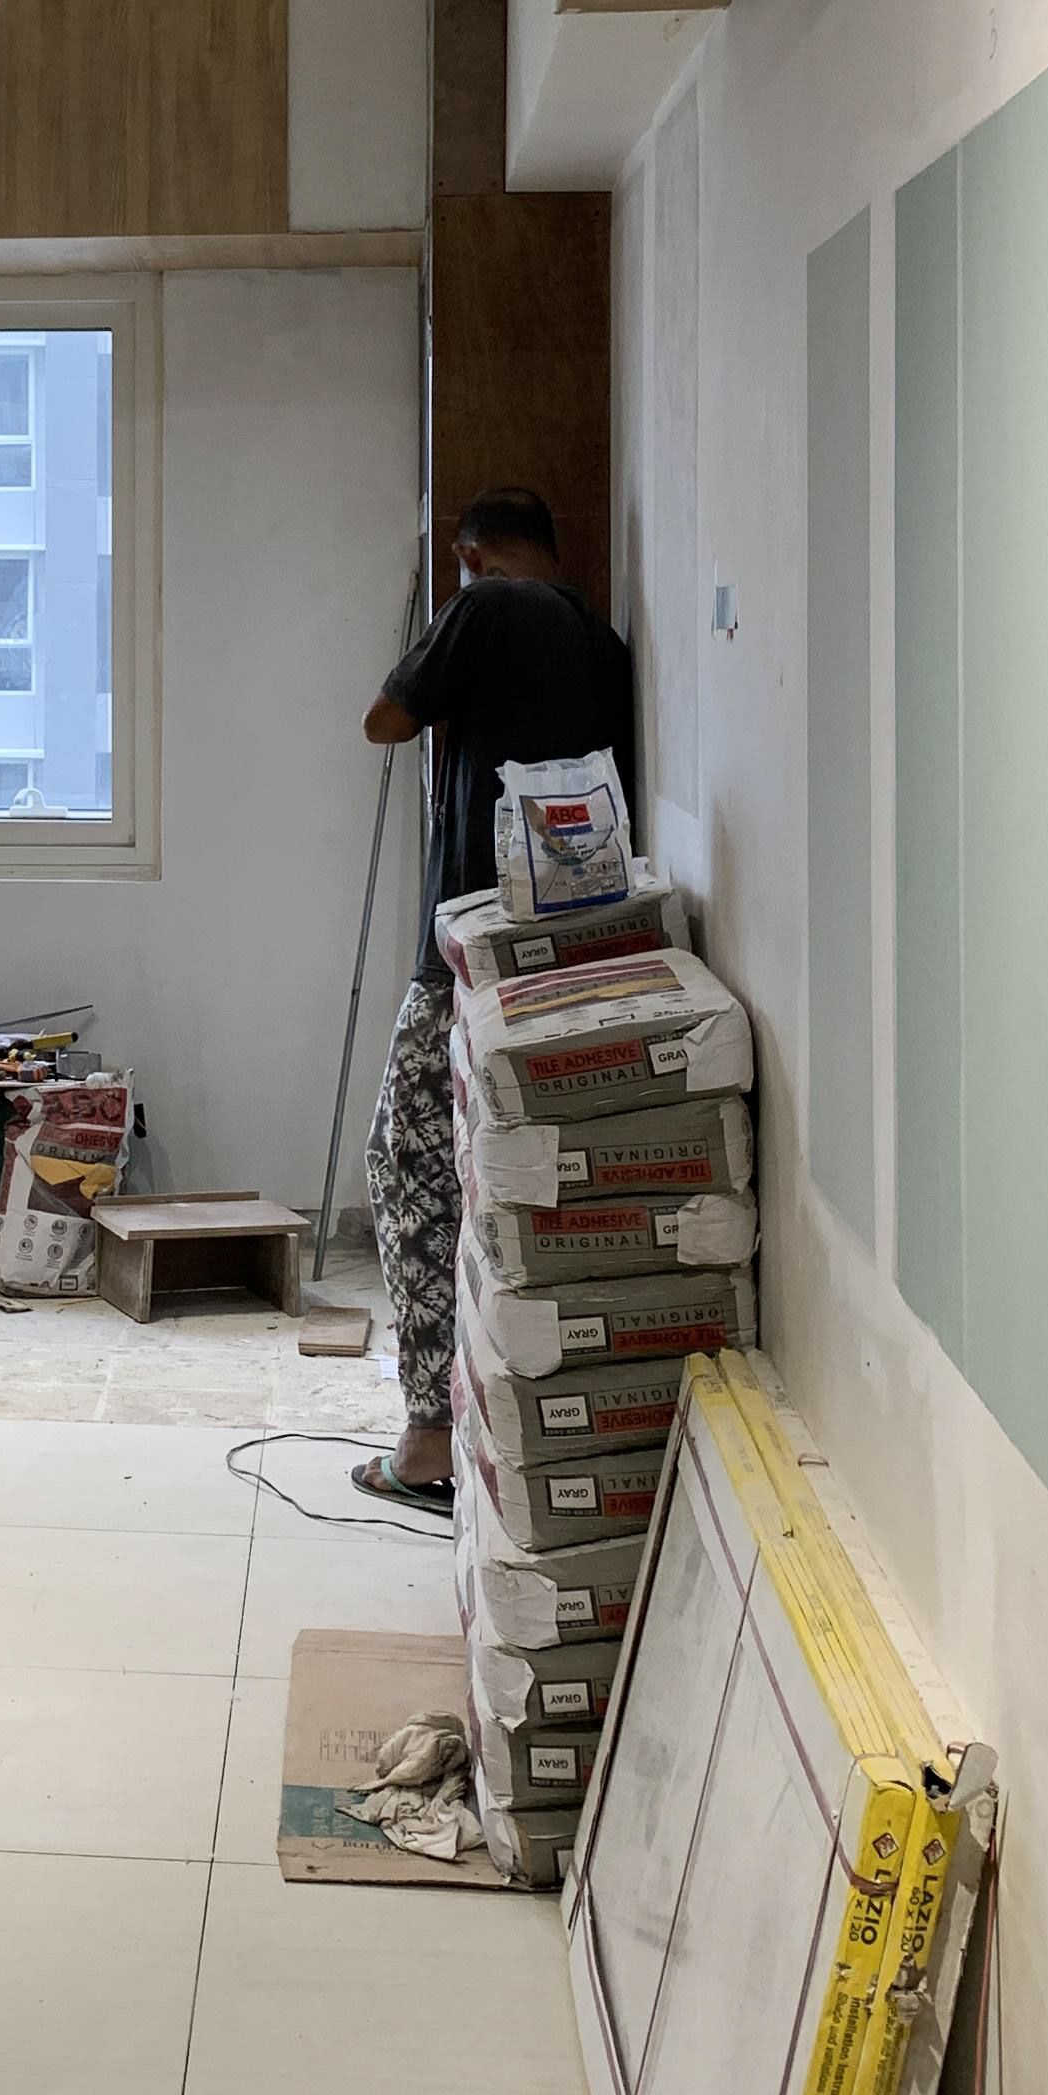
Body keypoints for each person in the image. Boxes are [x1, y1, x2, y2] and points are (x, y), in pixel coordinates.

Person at [349, 485, 637, 1512]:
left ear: (472, 554)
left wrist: (449, 629)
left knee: (407, 1164)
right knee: (515, 1179)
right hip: (576, 947)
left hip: (471, 943)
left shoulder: (485, 606)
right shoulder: (603, 644)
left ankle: (429, 1436)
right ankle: (503, 1418)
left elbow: (385, 721)